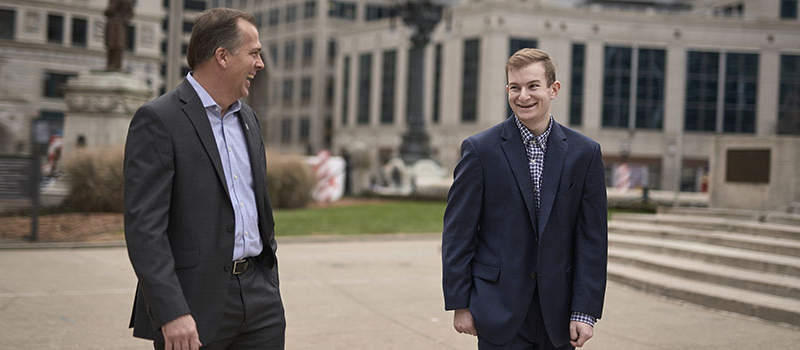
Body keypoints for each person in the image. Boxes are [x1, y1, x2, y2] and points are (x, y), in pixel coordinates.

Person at [124, 8, 284, 350]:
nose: (261, 64)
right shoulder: (158, 120)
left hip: (261, 303)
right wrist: (171, 312)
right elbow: (145, 230)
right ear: (222, 56)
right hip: (193, 306)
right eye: (254, 53)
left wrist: (269, 282)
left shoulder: (250, 120)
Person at [441, 48, 608, 350]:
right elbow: (458, 233)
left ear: (553, 89)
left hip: (559, 314)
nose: (523, 96)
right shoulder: (480, 150)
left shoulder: (585, 153)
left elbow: (592, 239)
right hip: (497, 310)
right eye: (514, 88)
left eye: (533, 86)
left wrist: (585, 310)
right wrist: (460, 303)